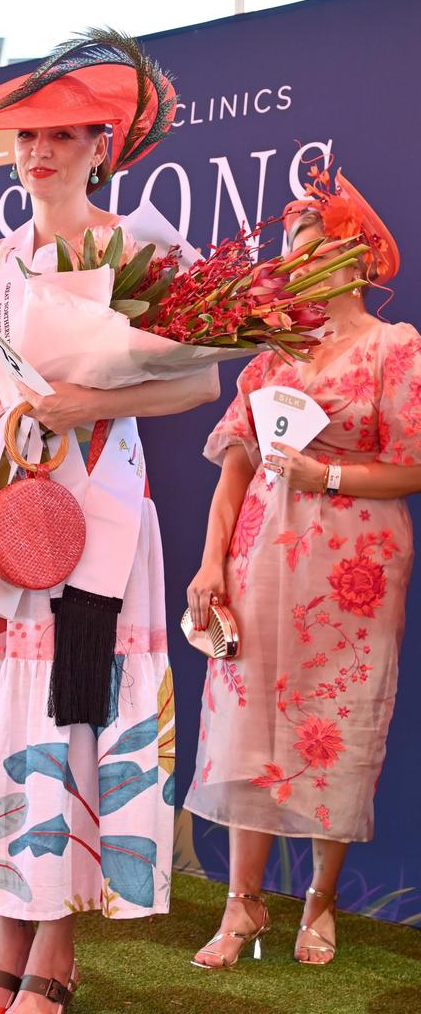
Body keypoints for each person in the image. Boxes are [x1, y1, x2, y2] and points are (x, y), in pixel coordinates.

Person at [0, 31, 220, 1014]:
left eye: (66, 134)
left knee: (69, 719)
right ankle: (2, 954)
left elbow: (194, 382)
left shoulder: (141, 250)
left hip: (102, 523)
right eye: (31, 134)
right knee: (0, 724)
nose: (44, 152)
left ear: (101, 144)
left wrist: (86, 403)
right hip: (6, 522)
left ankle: (53, 961)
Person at [185, 167, 421, 967]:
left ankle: (319, 903)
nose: (293, 266)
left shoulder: (395, 347)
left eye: (310, 250)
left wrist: (326, 476)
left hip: (355, 564)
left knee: (336, 725)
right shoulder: (267, 360)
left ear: (353, 259)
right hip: (260, 560)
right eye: (287, 253)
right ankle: (241, 905)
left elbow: (413, 463)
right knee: (251, 724)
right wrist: (209, 564)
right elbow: (234, 473)